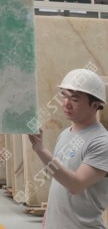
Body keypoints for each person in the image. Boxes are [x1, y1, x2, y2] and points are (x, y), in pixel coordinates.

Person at [28, 68, 108, 228]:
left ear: (95, 105)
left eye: (75, 99)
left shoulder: (101, 142)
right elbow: (58, 183)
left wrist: (40, 149)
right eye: (64, 96)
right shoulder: (65, 134)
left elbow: (75, 185)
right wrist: (48, 215)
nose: (66, 104)